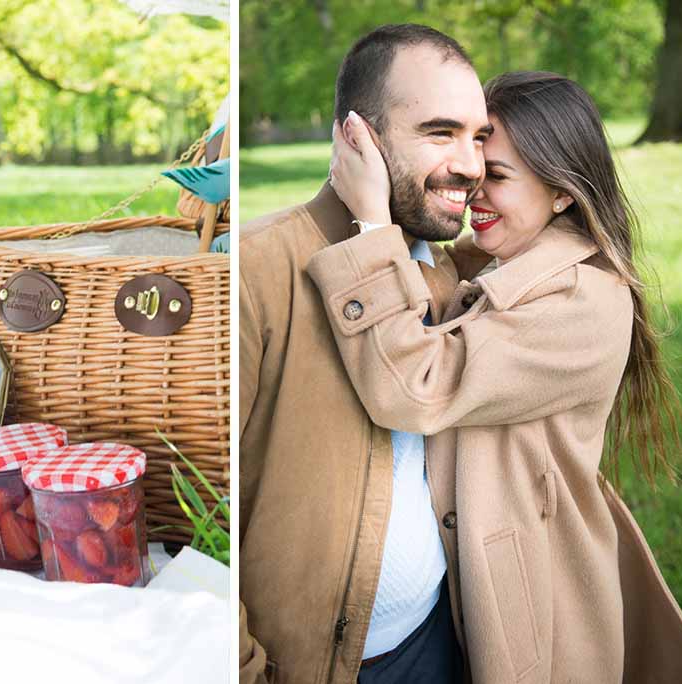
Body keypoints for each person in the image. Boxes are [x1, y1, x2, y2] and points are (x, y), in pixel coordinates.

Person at [310, 70, 682, 682]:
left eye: (497, 176)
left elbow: (416, 385)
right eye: (471, 167)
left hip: (534, 595)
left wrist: (373, 224)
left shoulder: (585, 303)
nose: (474, 192)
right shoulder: (490, 262)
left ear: (563, 192)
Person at [239, 25, 488, 683]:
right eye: (439, 133)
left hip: (434, 642)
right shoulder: (255, 272)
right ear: (357, 137)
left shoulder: (446, 274)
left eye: (477, 136)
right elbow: (193, 511)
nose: (469, 165)